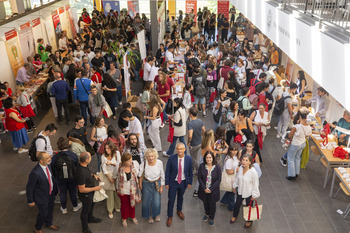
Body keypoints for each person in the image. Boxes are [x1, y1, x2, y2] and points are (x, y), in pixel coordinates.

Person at [26, 152, 59, 233]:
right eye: (47, 158)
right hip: (41, 197)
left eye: (49, 157)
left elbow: (51, 178)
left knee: (50, 210)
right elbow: (29, 187)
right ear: (41, 161)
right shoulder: (35, 173)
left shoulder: (48, 165)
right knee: (43, 213)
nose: (50, 159)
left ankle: (49, 223)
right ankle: (37, 228)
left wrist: (55, 190)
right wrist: (30, 200)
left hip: (50, 194)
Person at [165, 143, 193, 227]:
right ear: (176, 150)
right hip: (173, 182)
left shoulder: (189, 159)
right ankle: (170, 216)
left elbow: (190, 172)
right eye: (178, 149)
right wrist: (167, 182)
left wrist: (190, 182)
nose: (179, 150)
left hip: (183, 182)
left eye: (181, 149)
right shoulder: (171, 158)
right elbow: (167, 171)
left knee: (181, 197)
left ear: (184, 149)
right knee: (171, 199)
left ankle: (179, 210)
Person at [51, 137, 81, 214]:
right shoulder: (73, 156)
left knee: (62, 193)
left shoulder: (55, 158)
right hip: (72, 178)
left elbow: (53, 169)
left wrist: (56, 177)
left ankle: (64, 208)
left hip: (60, 179)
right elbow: (77, 166)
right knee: (73, 192)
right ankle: (75, 206)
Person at [230, 154, 260, 229]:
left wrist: (255, 195)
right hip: (240, 191)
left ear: (250, 162)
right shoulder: (240, 168)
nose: (244, 162)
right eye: (243, 160)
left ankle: (249, 220)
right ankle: (234, 216)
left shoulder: (253, 172)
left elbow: (256, 184)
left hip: (249, 193)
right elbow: (238, 178)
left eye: (246, 160)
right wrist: (234, 186)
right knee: (237, 204)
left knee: (249, 207)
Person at [75, 152, 102, 233]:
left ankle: (90, 218)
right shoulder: (81, 172)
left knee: (91, 206)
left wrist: (93, 175)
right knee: (85, 211)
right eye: (90, 157)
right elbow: (82, 189)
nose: (91, 159)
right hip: (86, 195)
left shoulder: (84, 166)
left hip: (90, 193)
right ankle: (85, 228)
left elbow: (87, 173)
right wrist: (95, 188)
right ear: (86, 160)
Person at [139, 148, 165, 223]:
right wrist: (140, 184)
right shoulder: (144, 163)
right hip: (146, 183)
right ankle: (149, 216)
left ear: (155, 156)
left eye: (152, 156)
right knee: (146, 201)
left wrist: (161, 186)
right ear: (146, 157)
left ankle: (156, 214)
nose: (151, 158)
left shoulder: (159, 163)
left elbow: (162, 174)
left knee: (156, 200)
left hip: (157, 182)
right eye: (149, 156)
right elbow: (140, 175)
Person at [285, 107, 312, 181]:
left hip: (295, 144)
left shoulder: (296, 127)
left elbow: (290, 135)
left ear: (299, 116)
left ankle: (291, 175)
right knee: (297, 158)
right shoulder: (309, 127)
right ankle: (297, 173)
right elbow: (307, 135)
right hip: (302, 144)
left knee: (291, 158)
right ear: (306, 117)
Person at [116, 152, 141, 227]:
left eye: (131, 160)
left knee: (132, 204)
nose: (131, 161)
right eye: (129, 160)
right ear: (124, 161)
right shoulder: (119, 167)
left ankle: (132, 216)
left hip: (132, 189)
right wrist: (118, 189)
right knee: (124, 205)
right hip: (122, 189)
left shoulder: (133, 165)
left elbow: (137, 175)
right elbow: (116, 178)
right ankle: (124, 218)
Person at [198, 151, 222, 226]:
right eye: (207, 157)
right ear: (205, 158)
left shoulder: (217, 167)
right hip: (204, 189)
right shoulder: (202, 166)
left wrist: (211, 189)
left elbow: (218, 179)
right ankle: (207, 214)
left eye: (210, 157)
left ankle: (211, 217)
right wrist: (204, 188)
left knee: (212, 204)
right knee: (205, 202)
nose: (208, 159)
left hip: (213, 190)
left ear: (213, 158)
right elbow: (199, 178)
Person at [101, 141, 121, 218]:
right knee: (109, 193)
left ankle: (117, 206)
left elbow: (119, 163)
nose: (107, 150)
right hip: (108, 176)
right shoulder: (103, 156)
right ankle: (110, 210)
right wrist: (109, 177)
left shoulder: (117, 153)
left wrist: (112, 163)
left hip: (117, 175)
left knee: (117, 191)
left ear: (112, 148)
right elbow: (103, 168)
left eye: (108, 148)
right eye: (105, 148)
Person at [220, 143, 240, 211]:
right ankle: (231, 206)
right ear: (230, 150)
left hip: (233, 177)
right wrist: (236, 170)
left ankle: (224, 201)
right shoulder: (229, 159)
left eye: (236, 150)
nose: (234, 152)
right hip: (231, 178)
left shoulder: (234, 157)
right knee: (232, 192)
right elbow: (228, 171)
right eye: (233, 150)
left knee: (230, 190)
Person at [187, 107, 205, 174]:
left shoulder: (190, 124)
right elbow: (203, 130)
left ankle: (199, 170)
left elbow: (190, 135)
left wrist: (188, 142)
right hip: (199, 142)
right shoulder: (200, 121)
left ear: (191, 114)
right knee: (196, 155)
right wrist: (200, 134)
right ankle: (193, 167)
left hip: (193, 144)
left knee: (193, 158)